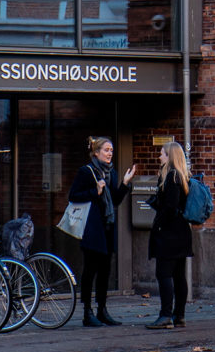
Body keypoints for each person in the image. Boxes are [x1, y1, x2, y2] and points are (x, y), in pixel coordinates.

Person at [68, 136, 135, 326]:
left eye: (111, 150)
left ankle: (102, 309)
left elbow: (114, 200)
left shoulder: (111, 173)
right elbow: (73, 196)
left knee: (105, 270)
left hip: (107, 226)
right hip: (91, 229)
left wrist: (124, 183)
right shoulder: (86, 172)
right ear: (96, 152)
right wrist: (94, 192)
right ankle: (87, 312)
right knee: (91, 269)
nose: (109, 153)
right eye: (106, 150)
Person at [145, 140, 193, 329]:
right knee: (179, 275)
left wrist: (159, 221)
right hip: (181, 232)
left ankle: (166, 315)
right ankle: (178, 315)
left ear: (170, 156)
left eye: (162, 154)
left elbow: (170, 207)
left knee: (164, 273)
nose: (159, 157)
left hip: (169, 234)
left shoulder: (171, 177)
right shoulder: (182, 176)